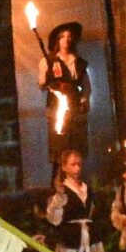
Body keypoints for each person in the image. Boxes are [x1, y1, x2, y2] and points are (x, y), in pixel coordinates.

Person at [42, 23, 90, 156]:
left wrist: (84, 101)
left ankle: (75, 167)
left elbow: (86, 85)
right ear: (58, 40)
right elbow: (42, 84)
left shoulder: (78, 62)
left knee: (76, 142)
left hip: (74, 105)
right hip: (56, 106)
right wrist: (53, 84)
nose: (66, 40)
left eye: (69, 36)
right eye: (63, 37)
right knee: (59, 143)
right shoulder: (49, 61)